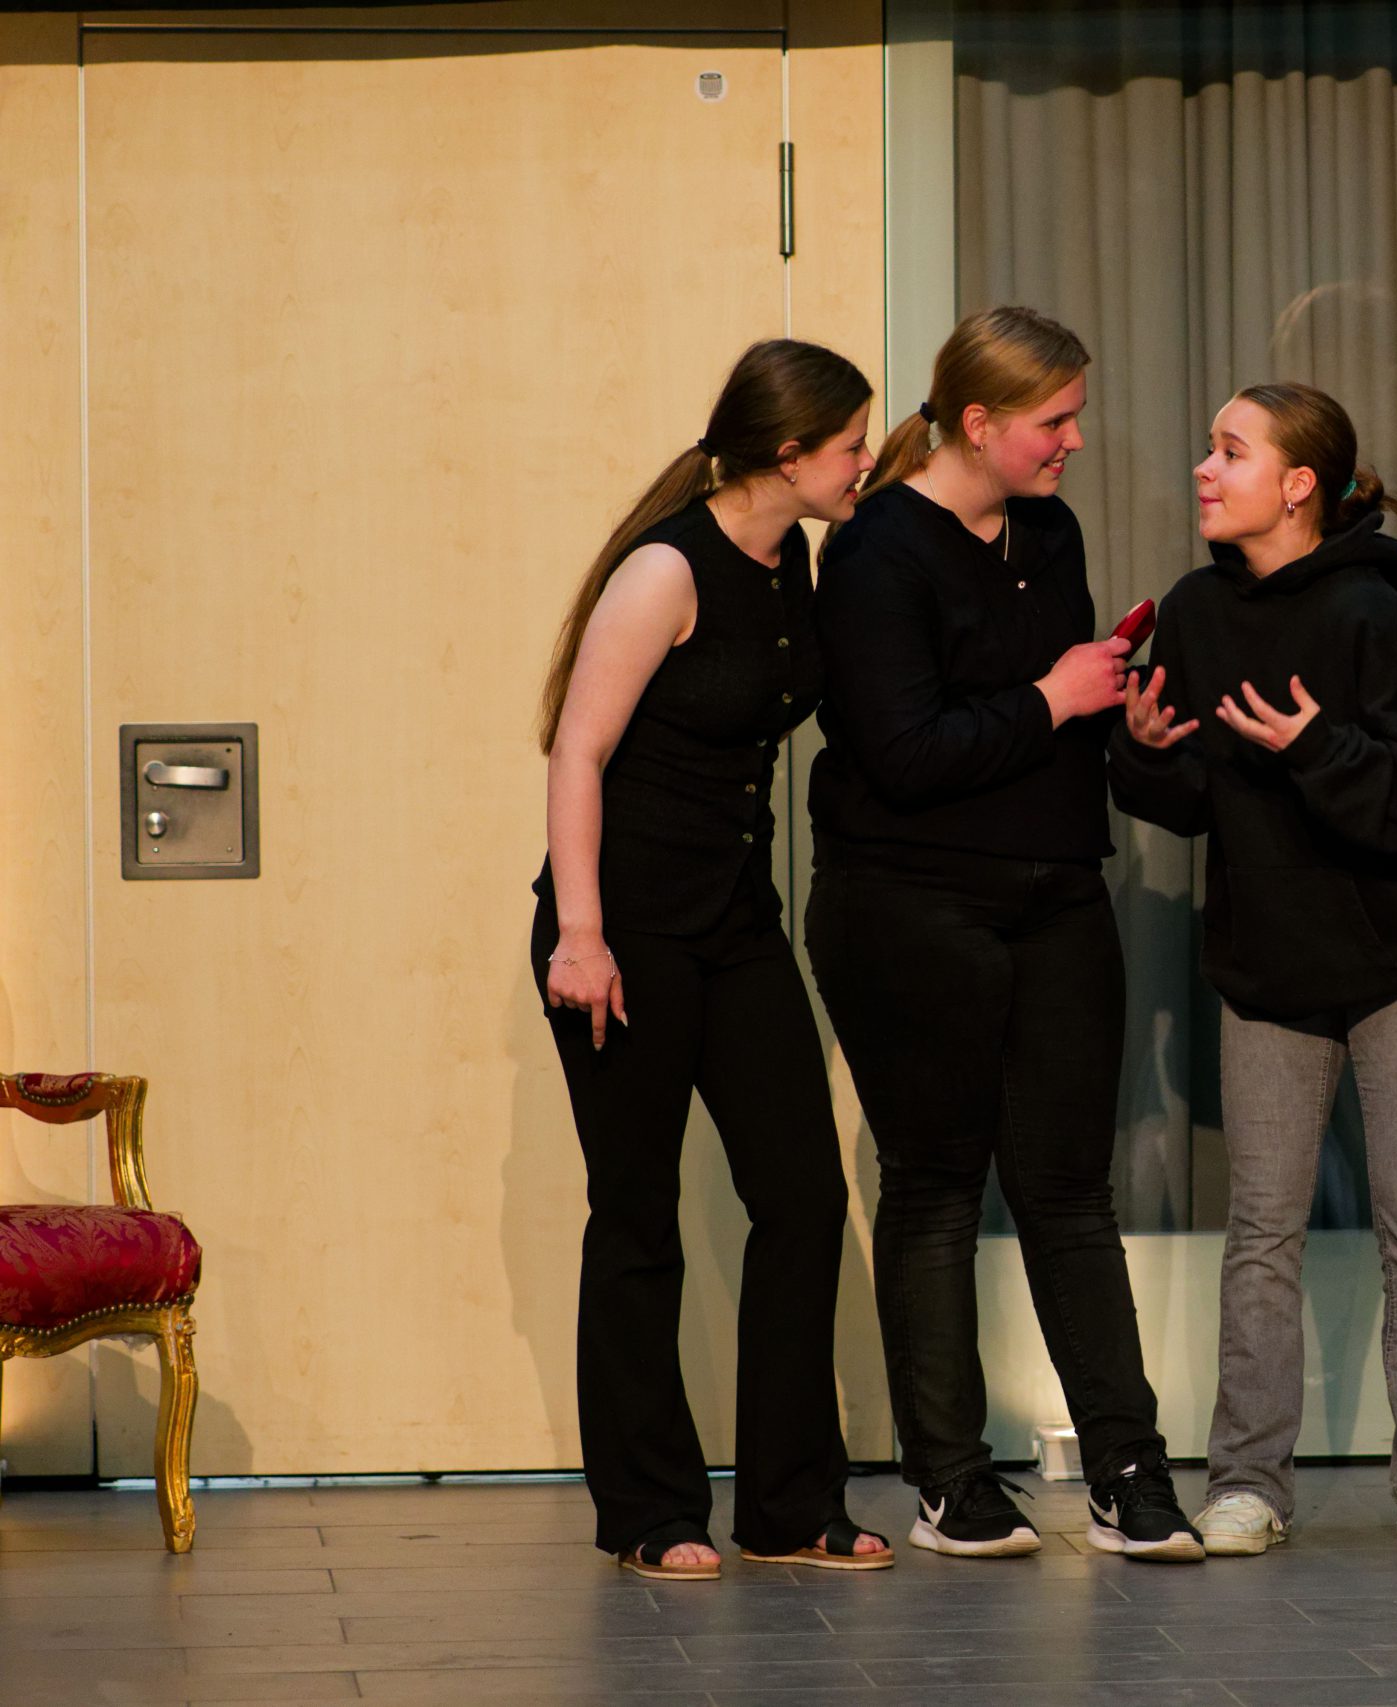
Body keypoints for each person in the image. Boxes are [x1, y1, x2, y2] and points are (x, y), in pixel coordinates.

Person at [802, 306, 1202, 1563]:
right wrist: (1051, 697)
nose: (1074, 440)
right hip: (909, 902)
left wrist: (1113, 713)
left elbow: (1046, 717)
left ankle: (1129, 1472)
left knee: (1068, 1192)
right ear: (976, 424)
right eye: (1053, 421)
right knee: (933, 1186)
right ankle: (952, 1481)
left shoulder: (1048, 528)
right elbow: (903, 754)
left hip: (1056, 893)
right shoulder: (874, 551)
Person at [1110, 383, 1397, 1558]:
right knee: (1261, 1229)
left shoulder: (1377, 613)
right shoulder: (1196, 610)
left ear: (1297, 486)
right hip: (1272, 964)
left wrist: (1318, 746)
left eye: (1230, 451)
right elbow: (1195, 795)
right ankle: (1247, 1482)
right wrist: (1143, 753)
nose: (1204, 468)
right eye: (1208, 446)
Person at [534, 338, 891, 1581]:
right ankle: (649, 1508)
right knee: (637, 1214)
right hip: (621, 929)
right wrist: (581, 935)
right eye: (850, 445)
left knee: (799, 1199)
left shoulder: (794, 561)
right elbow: (576, 752)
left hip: (734, 927)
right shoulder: (665, 571)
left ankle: (787, 1505)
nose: (863, 462)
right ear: (787, 454)